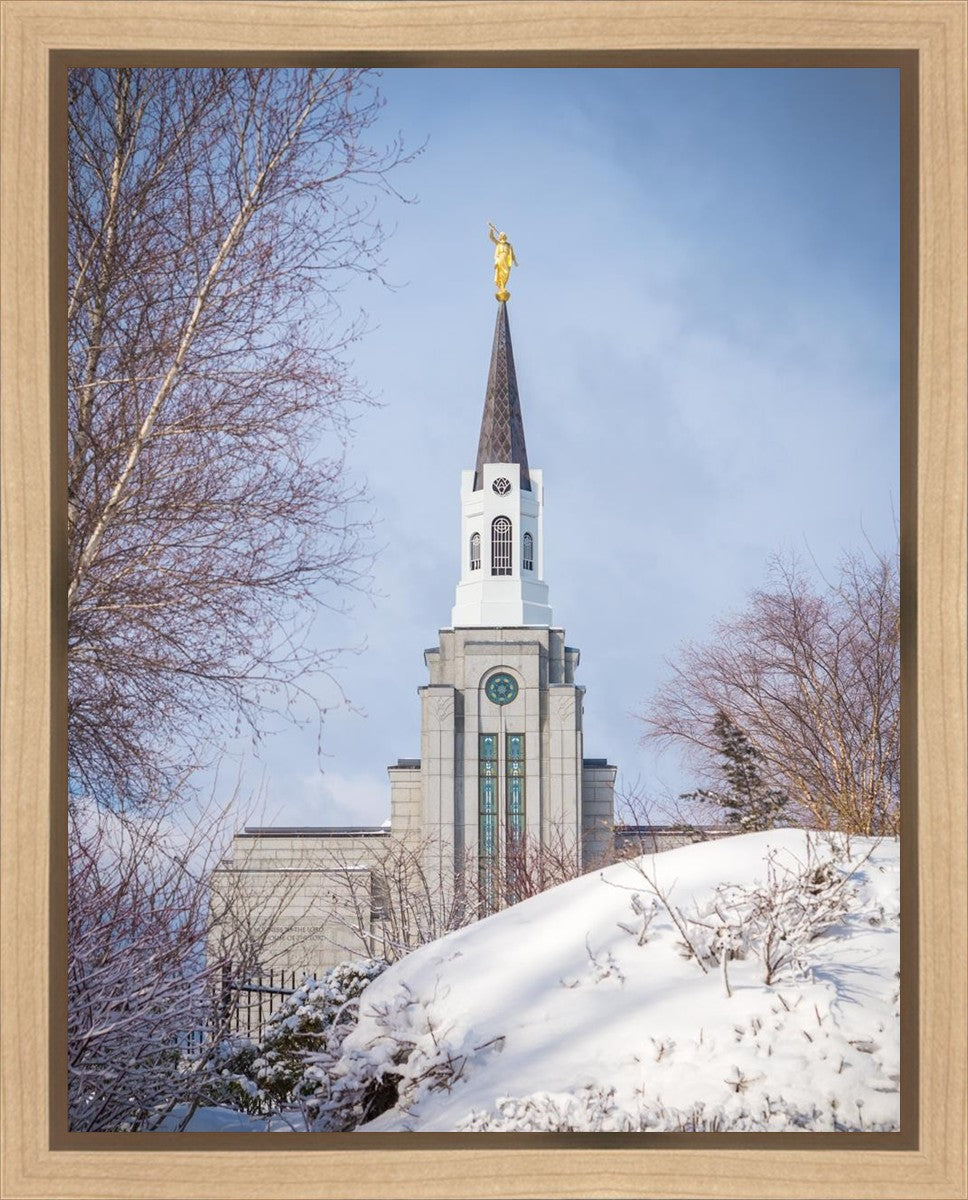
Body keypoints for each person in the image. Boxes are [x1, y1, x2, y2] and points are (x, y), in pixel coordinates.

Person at [488, 222, 517, 295]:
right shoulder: (498, 243)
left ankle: (503, 286)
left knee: (506, 273)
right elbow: (492, 237)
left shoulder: (509, 245)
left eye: (503, 235)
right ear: (500, 237)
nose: (502, 235)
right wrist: (492, 230)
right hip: (500, 258)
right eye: (501, 235)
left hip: (506, 260)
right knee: (500, 272)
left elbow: (512, 254)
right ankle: (501, 287)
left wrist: (515, 261)